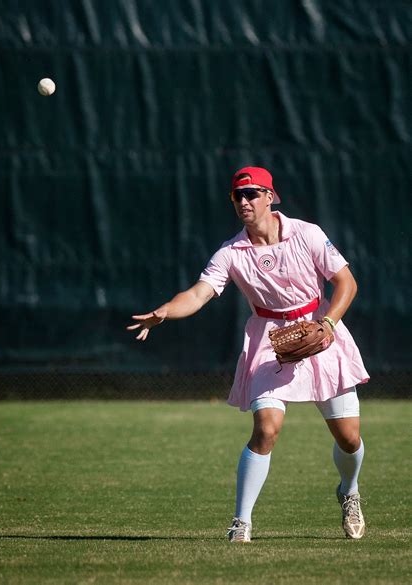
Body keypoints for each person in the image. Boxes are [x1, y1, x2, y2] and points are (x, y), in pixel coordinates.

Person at [127, 166, 369, 542]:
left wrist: (329, 324)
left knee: (349, 439)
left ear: (270, 197)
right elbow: (198, 293)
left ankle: (349, 491)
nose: (243, 201)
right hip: (271, 341)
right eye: (237, 196)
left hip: (321, 331)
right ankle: (242, 522)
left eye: (252, 193)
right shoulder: (231, 252)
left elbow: (346, 283)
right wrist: (166, 311)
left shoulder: (306, 233)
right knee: (266, 428)